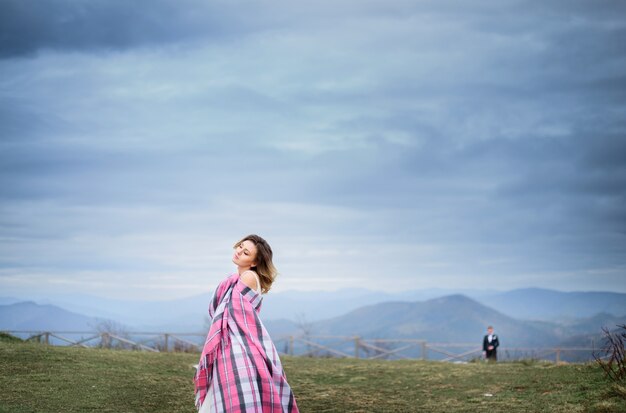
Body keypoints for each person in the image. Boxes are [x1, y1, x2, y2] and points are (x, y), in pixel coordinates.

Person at [194, 235, 299, 412]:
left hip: (238, 343)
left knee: (235, 391)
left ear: (254, 262)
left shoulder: (248, 276)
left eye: (245, 252)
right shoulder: (236, 277)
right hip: (233, 341)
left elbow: (233, 314)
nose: (239, 252)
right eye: (240, 247)